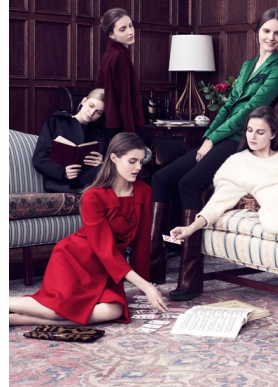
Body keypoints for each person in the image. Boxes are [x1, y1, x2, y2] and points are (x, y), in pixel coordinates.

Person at [150, 8, 278, 300]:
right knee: (162, 178)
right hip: (222, 134)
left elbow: (249, 111)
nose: (271, 38)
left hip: (242, 138)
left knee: (189, 184)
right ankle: (153, 270)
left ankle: (190, 280)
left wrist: (213, 139)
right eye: (267, 31)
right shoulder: (249, 64)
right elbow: (228, 105)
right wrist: (207, 138)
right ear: (258, 32)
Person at [170, 106, 278, 329]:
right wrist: (191, 227)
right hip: (274, 212)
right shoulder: (238, 162)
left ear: (273, 134)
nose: (252, 136)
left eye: (260, 132)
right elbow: (219, 201)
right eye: (249, 130)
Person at [9, 133, 167, 326]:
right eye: (132, 161)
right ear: (114, 158)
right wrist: (145, 286)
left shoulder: (144, 191)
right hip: (75, 260)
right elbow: (105, 250)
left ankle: (13, 319)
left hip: (106, 270)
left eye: (141, 161)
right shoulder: (93, 195)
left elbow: (142, 242)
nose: (138, 167)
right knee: (62, 310)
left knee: (115, 310)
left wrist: (145, 284)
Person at [32, 88, 109, 193]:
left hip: (87, 180)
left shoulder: (100, 133)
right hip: (59, 182)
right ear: (84, 101)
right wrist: (63, 172)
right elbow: (39, 158)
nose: (91, 113)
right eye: (91, 106)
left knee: (108, 169)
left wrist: (102, 164)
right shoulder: (56, 121)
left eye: (98, 112)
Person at [97, 8, 146, 141]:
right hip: (120, 126)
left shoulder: (110, 54)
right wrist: (130, 133)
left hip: (112, 123)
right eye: (122, 29)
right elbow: (124, 97)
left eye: (130, 26)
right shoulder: (119, 55)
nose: (130, 32)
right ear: (112, 34)